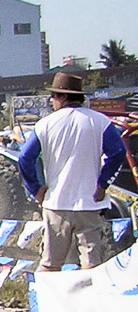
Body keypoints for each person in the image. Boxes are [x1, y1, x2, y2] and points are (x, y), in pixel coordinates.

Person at [15, 71, 127, 270]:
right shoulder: (100, 121)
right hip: (89, 203)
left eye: (55, 95)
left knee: (50, 264)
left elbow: (25, 158)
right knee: (92, 266)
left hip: (56, 203)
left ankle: (50, 300)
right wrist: (103, 183)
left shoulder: (45, 124)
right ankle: (87, 301)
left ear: (64, 96)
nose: (52, 100)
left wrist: (36, 189)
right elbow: (118, 152)